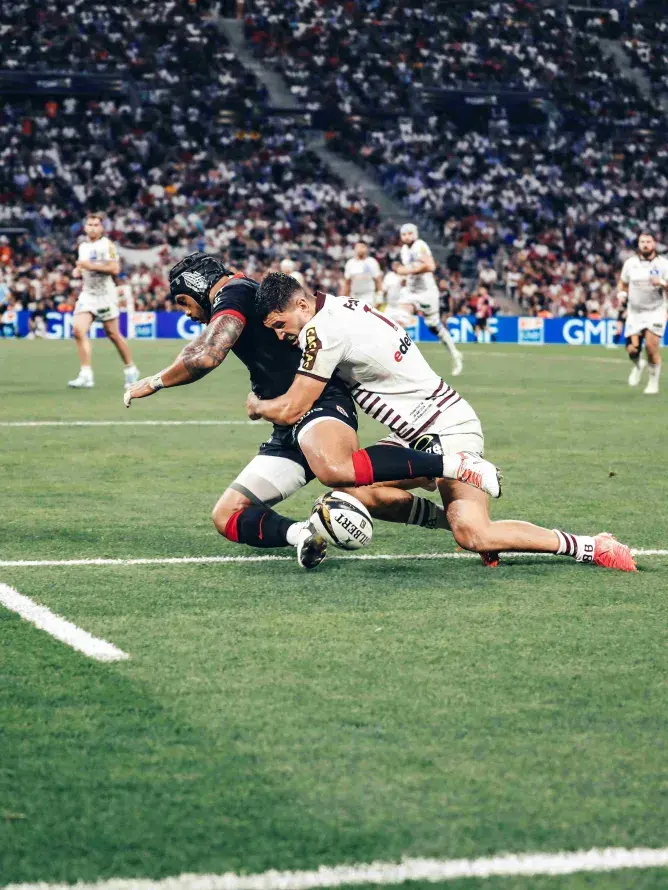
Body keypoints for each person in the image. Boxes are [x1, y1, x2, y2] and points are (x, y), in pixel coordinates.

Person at [123, 254, 498, 569]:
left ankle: (456, 466)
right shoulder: (242, 296)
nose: (188, 315)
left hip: (318, 402)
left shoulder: (234, 292)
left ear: (198, 287)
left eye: (185, 303)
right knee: (227, 514)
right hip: (285, 423)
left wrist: (155, 381)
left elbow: (206, 355)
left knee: (336, 471)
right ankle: (304, 535)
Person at [251, 274, 636, 573]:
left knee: (476, 534)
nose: (280, 334)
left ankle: (590, 545)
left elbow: (291, 409)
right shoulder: (339, 306)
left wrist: (258, 405)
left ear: (302, 304)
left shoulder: (324, 331)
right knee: (349, 490)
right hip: (419, 429)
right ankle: (449, 521)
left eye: (281, 323)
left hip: (445, 428)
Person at [68, 213, 140, 390]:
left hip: (105, 295)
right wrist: (77, 270)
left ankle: (131, 370)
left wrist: (87, 266)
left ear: (101, 228)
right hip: (88, 294)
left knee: (113, 334)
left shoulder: (106, 245)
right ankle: (86, 375)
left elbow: (114, 268)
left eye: (96, 225)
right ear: (85, 227)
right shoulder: (83, 246)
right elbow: (82, 264)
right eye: (89, 224)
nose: (92, 227)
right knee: (78, 330)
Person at [395, 223, 463, 376]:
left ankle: (455, 354)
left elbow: (431, 266)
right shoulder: (404, 250)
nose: (407, 237)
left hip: (427, 292)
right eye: (404, 234)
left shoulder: (420, 246)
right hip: (411, 291)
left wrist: (408, 270)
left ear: (416, 234)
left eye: (409, 233)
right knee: (399, 322)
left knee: (433, 327)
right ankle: (401, 364)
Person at [618, 232, 668, 395]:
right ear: (638, 244)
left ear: (654, 244)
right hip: (635, 312)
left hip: (656, 310)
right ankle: (638, 364)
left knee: (650, 346)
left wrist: (661, 282)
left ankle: (653, 382)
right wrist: (622, 294)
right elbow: (623, 283)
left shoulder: (663, 264)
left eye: (648, 241)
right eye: (642, 241)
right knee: (632, 350)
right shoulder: (630, 263)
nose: (645, 244)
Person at [340, 241, 382, 305]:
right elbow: (347, 283)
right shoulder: (350, 263)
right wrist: (343, 297)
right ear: (355, 249)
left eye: (362, 247)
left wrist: (380, 297)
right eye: (358, 247)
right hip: (354, 296)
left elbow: (378, 281)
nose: (360, 249)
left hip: (368, 296)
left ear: (366, 249)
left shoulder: (372, 262)